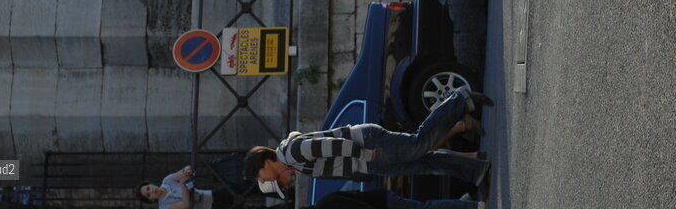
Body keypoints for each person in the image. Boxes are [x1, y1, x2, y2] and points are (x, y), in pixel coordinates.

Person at [245, 88, 492, 190]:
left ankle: (459, 99)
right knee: (424, 163)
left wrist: (365, 154)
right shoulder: (292, 159)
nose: (262, 180)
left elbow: (334, 145)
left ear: (265, 164)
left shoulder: (293, 153)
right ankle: (477, 172)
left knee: (420, 143)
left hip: (369, 146)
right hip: (370, 161)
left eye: (259, 176)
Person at [138, 165, 225, 208]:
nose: (151, 191)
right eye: (148, 194)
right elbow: (185, 204)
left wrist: (186, 169)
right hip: (206, 208)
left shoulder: (166, 181)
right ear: (151, 200)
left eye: (148, 188)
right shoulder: (163, 206)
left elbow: (182, 172)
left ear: (151, 184)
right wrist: (182, 184)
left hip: (209, 195)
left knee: (232, 191)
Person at [313, 189, 485, 209]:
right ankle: (463, 202)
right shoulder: (324, 201)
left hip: (384, 203)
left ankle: (471, 206)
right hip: (382, 199)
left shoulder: (326, 205)